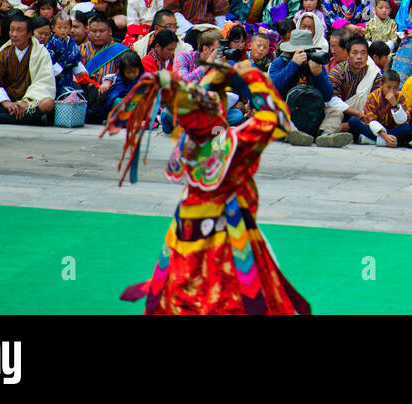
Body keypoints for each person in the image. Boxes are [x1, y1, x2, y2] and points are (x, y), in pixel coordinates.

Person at [103, 61, 310, 313]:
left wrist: (210, 82)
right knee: (227, 300)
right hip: (224, 236)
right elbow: (276, 119)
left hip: (185, 234)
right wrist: (252, 77)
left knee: (183, 298)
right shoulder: (232, 144)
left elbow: (192, 112)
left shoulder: (185, 141)